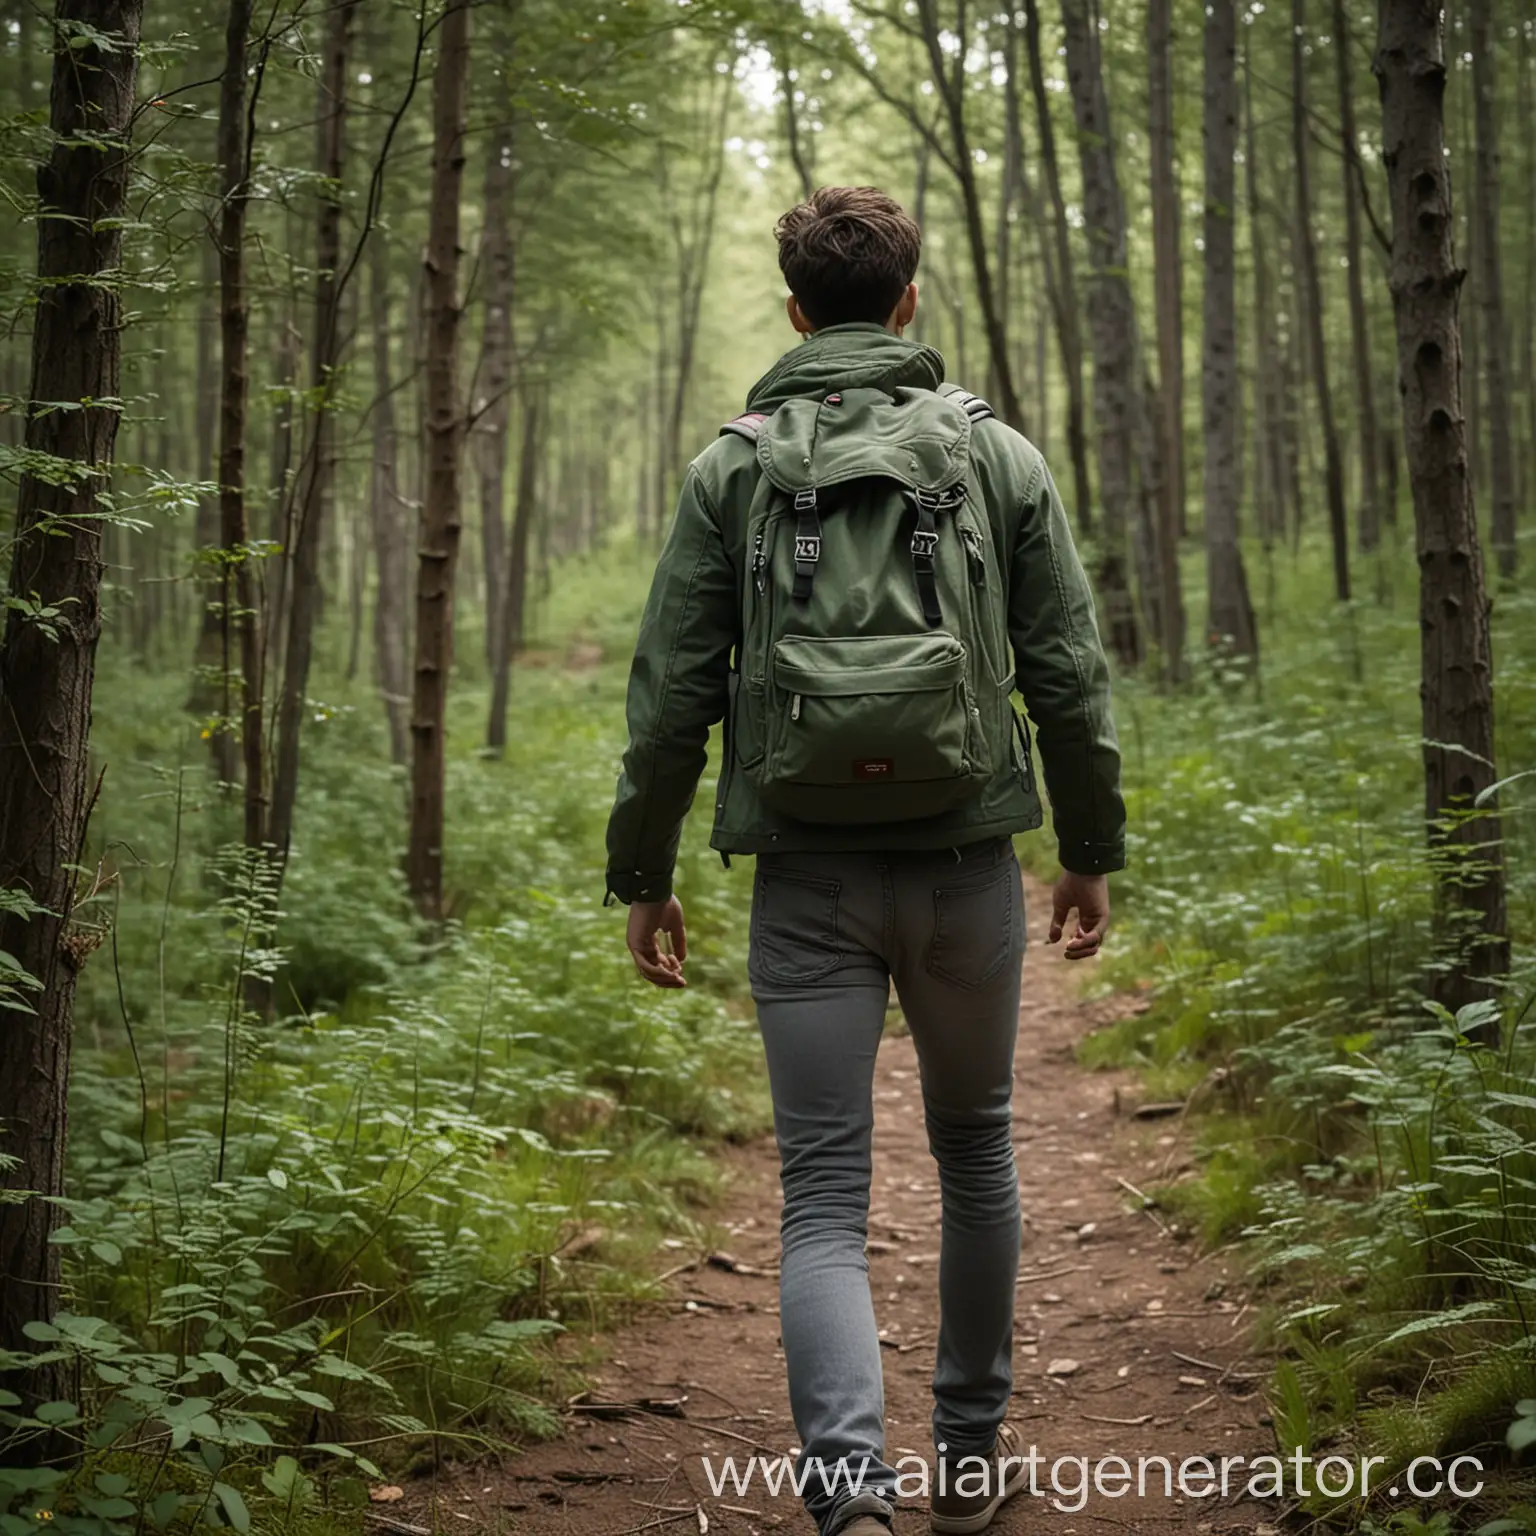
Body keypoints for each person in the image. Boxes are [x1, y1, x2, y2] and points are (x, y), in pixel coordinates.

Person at [605, 186, 1124, 1536]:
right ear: (910, 304)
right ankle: (966, 1462)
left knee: (825, 1196)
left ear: (794, 313)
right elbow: (1069, 674)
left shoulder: (735, 466)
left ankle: (851, 1502)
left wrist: (644, 873)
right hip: (966, 870)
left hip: (806, 877)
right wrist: (1087, 850)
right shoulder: (996, 456)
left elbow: (670, 692)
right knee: (978, 1151)